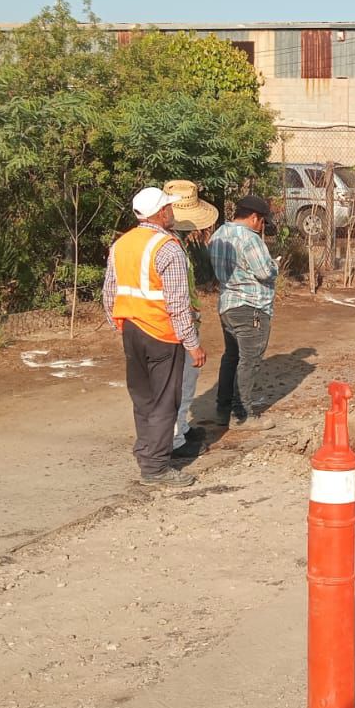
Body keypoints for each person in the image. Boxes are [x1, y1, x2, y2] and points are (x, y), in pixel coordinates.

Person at [102, 186, 206, 487]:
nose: (172, 212)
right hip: (162, 332)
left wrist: (121, 325)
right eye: (169, 208)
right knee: (164, 401)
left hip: (132, 330)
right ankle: (156, 468)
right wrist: (192, 344)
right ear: (161, 213)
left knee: (143, 397)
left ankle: (146, 451)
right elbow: (177, 302)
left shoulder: (121, 244)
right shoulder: (168, 247)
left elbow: (110, 294)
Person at [209, 195, 280, 431]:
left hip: (228, 304)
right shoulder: (250, 240)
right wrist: (275, 265)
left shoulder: (218, 235)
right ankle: (242, 413)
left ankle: (223, 409)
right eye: (262, 222)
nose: (262, 227)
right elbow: (264, 272)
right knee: (249, 360)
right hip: (252, 307)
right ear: (253, 217)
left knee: (231, 357)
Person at [164, 179, 220, 460]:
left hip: (183, 323)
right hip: (175, 328)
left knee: (187, 381)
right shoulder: (169, 247)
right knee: (178, 383)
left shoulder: (177, 243)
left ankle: (182, 429)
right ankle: (174, 440)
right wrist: (189, 337)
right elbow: (175, 299)